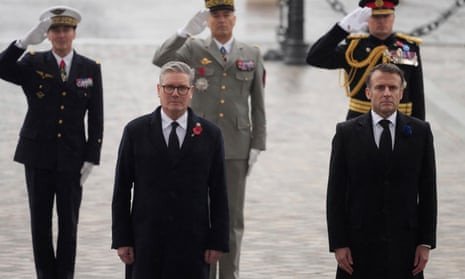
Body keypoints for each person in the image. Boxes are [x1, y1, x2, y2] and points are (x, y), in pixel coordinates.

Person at [152, 1, 266, 278]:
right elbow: (160, 59)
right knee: (197, 214)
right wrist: (184, 32)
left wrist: (258, 143)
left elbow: (258, 104)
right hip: (198, 144)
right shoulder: (193, 49)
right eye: (216, 16)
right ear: (208, 20)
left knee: (231, 218)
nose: (222, 20)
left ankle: (229, 275)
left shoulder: (251, 53)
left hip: (236, 145)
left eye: (226, 15)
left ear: (235, 19)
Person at [0, 6, 103, 279]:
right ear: (47, 34)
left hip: (72, 156)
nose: (61, 35)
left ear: (74, 33)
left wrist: (92, 156)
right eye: (55, 30)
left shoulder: (90, 68)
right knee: (40, 223)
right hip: (37, 154)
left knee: (69, 223)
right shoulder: (33, 63)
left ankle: (65, 275)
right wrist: (22, 43)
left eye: (66, 29)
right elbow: (1, 67)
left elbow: (96, 116)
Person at [111, 61, 229, 279]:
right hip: (145, 242)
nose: (175, 93)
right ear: (159, 90)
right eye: (169, 87)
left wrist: (218, 241)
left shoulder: (210, 134)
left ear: (191, 92)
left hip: (193, 243)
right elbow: (121, 189)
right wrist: (122, 239)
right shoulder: (135, 131)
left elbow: (219, 191)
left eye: (182, 88)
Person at [326, 63, 437, 279]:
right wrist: (339, 243)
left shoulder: (420, 132)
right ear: (368, 92)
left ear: (401, 93)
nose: (387, 93)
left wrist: (425, 242)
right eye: (380, 87)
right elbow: (335, 193)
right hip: (358, 247)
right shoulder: (346, 133)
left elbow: (428, 191)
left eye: (393, 88)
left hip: (405, 246)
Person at [306, 0, 425, 120]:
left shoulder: (408, 48)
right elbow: (315, 57)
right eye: (375, 17)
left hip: (401, 121)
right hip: (360, 122)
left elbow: (417, 93)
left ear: (393, 17)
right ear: (366, 19)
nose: (381, 21)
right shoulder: (354, 48)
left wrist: (420, 131)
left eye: (386, 16)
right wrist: (341, 29)